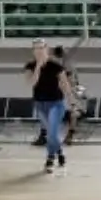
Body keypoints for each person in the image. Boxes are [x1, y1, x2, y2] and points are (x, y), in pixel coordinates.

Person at [23, 39, 73, 174]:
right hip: (40, 104)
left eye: (41, 48)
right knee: (51, 134)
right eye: (36, 48)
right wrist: (38, 67)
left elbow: (65, 84)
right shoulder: (30, 66)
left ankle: (50, 159)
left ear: (47, 49)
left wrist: (71, 101)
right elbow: (32, 83)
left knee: (52, 131)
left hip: (56, 103)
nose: (39, 51)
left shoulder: (55, 66)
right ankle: (60, 153)